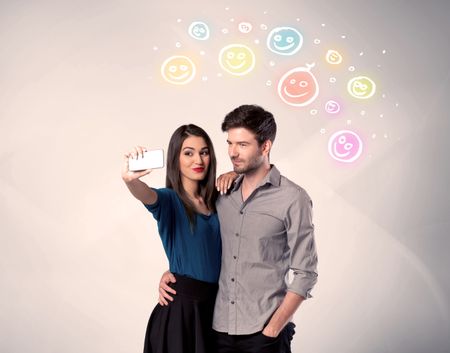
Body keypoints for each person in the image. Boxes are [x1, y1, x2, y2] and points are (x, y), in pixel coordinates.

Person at [159, 104, 319, 353]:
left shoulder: (293, 198)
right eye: (230, 143)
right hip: (217, 329)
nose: (233, 152)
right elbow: (202, 241)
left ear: (265, 146)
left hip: (264, 332)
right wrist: (174, 272)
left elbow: (306, 273)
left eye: (242, 145)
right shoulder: (222, 193)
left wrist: (273, 329)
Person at [122, 124, 231, 353]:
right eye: (188, 153)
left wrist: (234, 174)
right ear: (176, 159)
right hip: (181, 314)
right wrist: (131, 180)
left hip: (215, 310)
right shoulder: (169, 200)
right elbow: (146, 195)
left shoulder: (220, 201)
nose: (198, 160)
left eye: (204, 152)